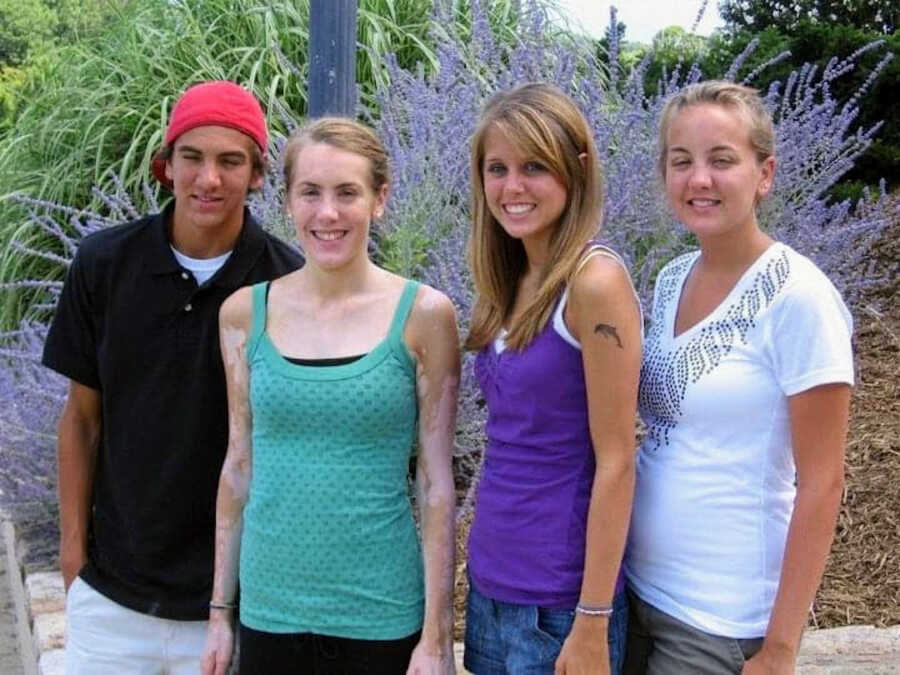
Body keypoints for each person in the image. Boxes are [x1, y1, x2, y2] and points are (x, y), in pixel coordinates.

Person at [42, 80, 303, 673]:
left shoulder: (286, 285)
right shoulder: (104, 264)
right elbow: (81, 420)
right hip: (110, 600)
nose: (209, 179)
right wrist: (73, 558)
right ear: (167, 165)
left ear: (257, 174)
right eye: (193, 157)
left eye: (230, 161)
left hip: (227, 610)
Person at [200, 117, 460, 675]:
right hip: (270, 613)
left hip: (383, 614)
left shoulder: (424, 316)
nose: (328, 213)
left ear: (380, 199)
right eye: (310, 193)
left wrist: (437, 638)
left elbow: (436, 482)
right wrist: (220, 612)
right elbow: (239, 465)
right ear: (288, 201)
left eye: (348, 193)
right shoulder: (245, 315)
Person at [623, 81, 854, 674]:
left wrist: (780, 648)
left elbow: (823, 483)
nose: (699, 179)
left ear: (765, 173)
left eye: (722, 160)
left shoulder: (800, 299)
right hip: (637, 595)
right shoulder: (672, 278)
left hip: (719, 625)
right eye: (682, 162)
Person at [462, 83, 643, 675]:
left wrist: (592, 620)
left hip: (560, 602)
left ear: (577, 170)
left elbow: (617, 458)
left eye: (534, 167)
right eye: (498, 169)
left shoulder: (594, 284)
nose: (512, 188)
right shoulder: (508, 279)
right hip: (491, 588)